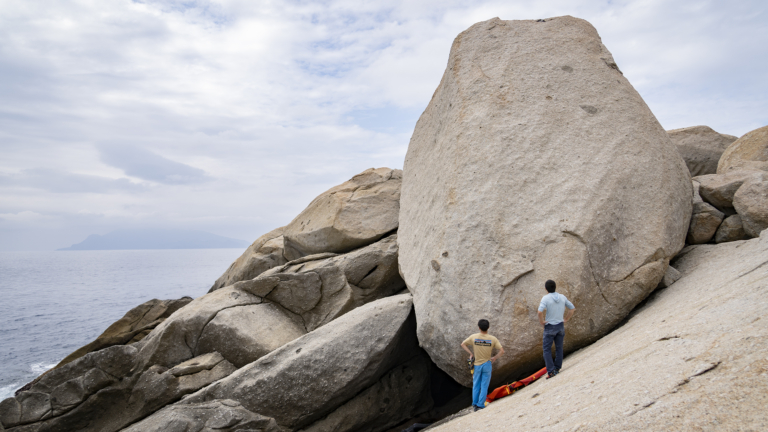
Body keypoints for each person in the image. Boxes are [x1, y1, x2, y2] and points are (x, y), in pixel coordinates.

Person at [461, 319, 504, 411]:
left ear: (479, 327)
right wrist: (495, 357)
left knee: (476, 384)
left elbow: (463, 344)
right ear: (488, 327)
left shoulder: (474, 337)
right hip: (487, 364)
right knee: (484, 385)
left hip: (477, 365)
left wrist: (471, 353)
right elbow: (502, 351)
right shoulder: (493, 339)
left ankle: (474, 404)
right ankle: (480, 404)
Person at [537, 279, 576, 378]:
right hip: (560, 325)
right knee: (559, 348)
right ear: (555, 287)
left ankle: (551, 371)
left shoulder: (545, 298)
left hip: (550, 326)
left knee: (546, 349)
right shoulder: (562, 297)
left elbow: (540, 312)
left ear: (546, 289)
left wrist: (542, 322)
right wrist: (566, 319)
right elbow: (572, 308)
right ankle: (557, 368)